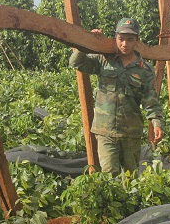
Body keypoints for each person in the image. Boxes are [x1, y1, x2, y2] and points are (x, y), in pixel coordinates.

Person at [68, 17, 164, 175]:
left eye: (129, 40)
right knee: (109, 175)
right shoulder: (103, 60)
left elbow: (150, 100)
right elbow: (76, 63)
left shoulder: (145, 70)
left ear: (137, 41)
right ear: (115, 38)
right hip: (105, 130)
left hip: (131, 133)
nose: (124, 44)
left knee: (131, 176)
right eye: (121, 39)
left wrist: (157, 122)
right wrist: (87, 42)